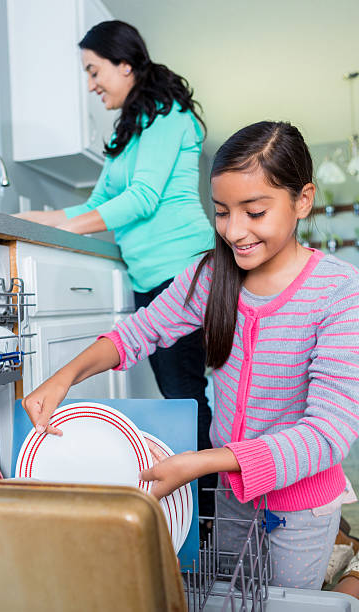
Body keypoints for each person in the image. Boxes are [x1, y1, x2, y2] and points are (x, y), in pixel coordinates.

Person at [22, 120, 359, 590]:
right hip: (233, 498)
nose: (234, 231)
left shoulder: (338, 291)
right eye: (221, 212)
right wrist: (64, 376)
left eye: (255, 212)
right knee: (231, 594)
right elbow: (137, 333)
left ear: (302, 199)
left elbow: (328, 434)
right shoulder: (211, 276)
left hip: (301, 507)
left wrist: (203, 461)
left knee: (287, 601)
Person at [15, 20, 216, 516]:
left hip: (183, 270)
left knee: (185, 394)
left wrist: (72, 226)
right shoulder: (129, 132)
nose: (90, 84)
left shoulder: (168, 115)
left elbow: (144, 198)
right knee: (183, 393)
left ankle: (210, 515)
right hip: (150, 276)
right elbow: (95, 202)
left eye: (94, 70)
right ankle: (207, 510)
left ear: (125, 64)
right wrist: (26, 220)